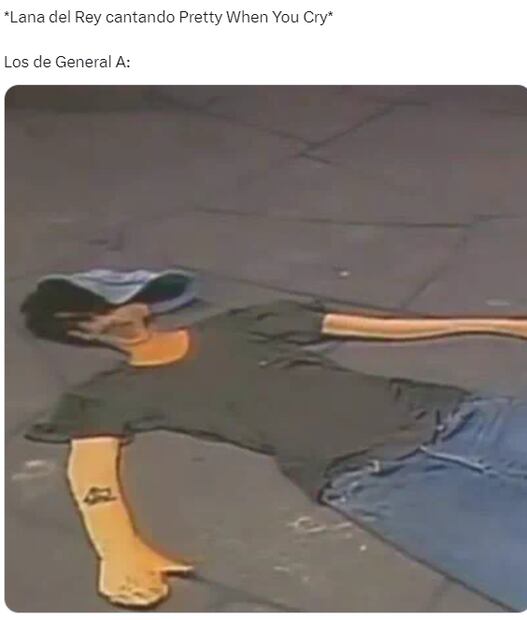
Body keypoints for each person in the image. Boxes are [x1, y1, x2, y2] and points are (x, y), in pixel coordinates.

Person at [21, 292, 527, 608]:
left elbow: (371, 326)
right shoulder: (108, 394)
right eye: (92, 313)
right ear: (80, 332)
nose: (115, 312)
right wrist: (118, 550)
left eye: (111, 300)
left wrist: (497, 323)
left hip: (455, 416)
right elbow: (92, 468)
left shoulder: (238, 325)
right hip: (373, 477)